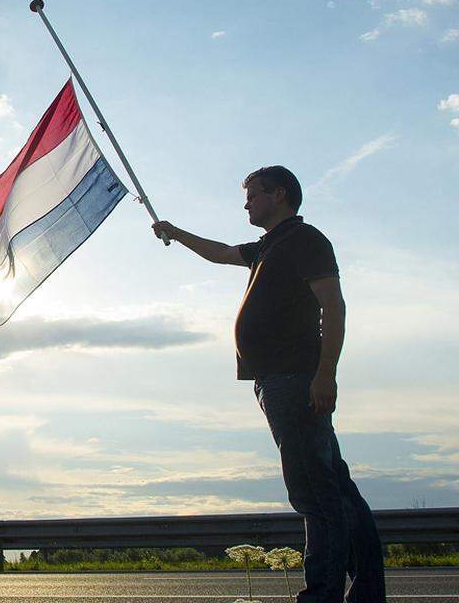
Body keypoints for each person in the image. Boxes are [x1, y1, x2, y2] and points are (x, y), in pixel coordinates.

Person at [152, 165, 385, 603]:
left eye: (253, 195)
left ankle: (323, 594)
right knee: (337, 491)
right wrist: (175, 232)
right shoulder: (267, 246)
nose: (246, 203)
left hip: (296, 379)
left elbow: (333, 309)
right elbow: (221, 252)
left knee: (314, 493)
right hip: (276, 380)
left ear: (279, 194)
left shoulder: (305, 240)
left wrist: (325, 374)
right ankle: (368, 591)